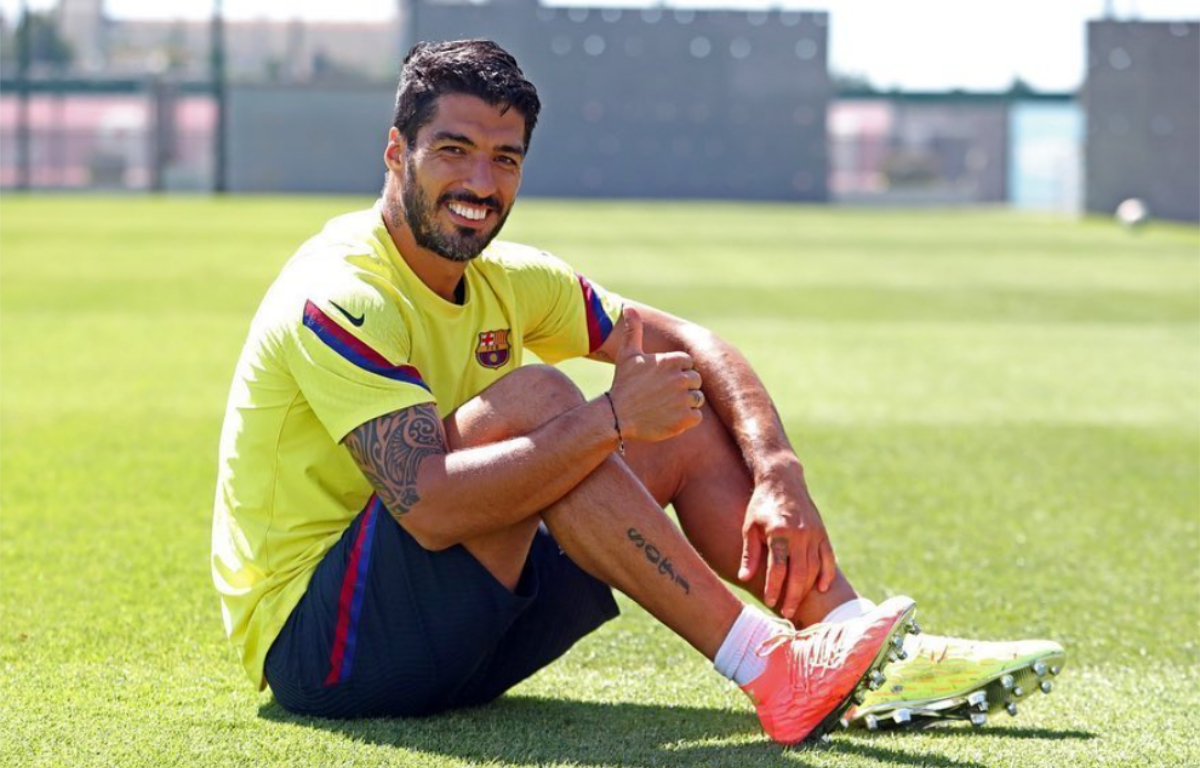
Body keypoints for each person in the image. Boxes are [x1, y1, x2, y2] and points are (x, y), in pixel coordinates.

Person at [212, 39, 1063, 745]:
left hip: (465, 643)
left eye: (505, 159)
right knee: (541, 402)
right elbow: (429, 508)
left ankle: (849, 642)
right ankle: (770, 666)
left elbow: (692, 343)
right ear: (397, 153)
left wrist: (779, 469)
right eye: (453, 150)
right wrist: (610, 418)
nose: (480, 183)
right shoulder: (343, 291)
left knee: (675, 417)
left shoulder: (512, 278)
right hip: (328, 654)